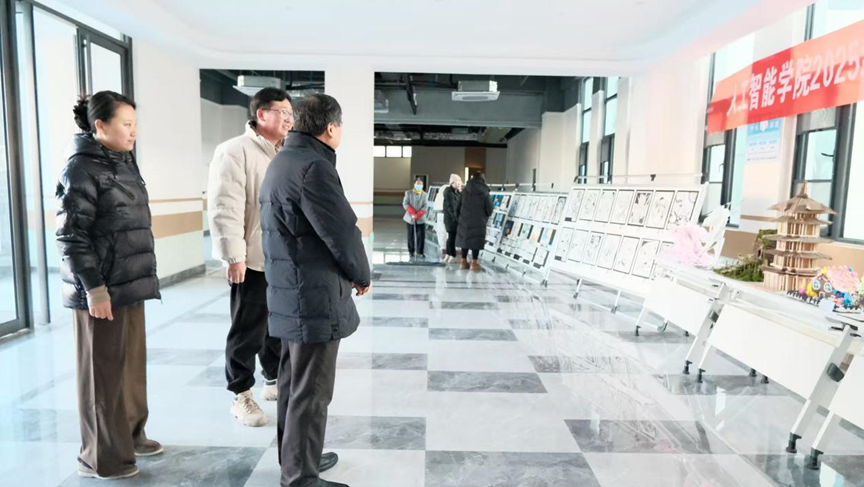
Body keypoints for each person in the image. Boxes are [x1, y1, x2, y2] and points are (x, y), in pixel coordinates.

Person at [260, 93, 371, 487]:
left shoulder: (283, 161)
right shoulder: (314, 167)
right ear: (330, 128)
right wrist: (361, 274)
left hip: (290, 290)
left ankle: (295, 459)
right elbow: (341, 232)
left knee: (293, 385)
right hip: (312, 295)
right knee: (312, 391)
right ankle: (300, 477)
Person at [57, 91, 161, 480]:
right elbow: (71, 236)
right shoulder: (80, 168)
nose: (134, 132)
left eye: (135, 124)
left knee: (129, 371)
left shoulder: (122, 161)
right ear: (100, 126)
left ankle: (130, 437)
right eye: (126, 124)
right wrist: (94, 289)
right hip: (101, 290)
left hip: (129, 283)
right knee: (100, 376)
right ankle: (100, 457)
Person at [208, 88, 293, 427]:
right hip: (251, 257)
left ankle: (273, 378)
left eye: (291, 114)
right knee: (247, 328)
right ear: (261, 114)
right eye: (283, 112)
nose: (289, 119)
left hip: (282, 258)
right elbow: (224, 207)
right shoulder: (234, 151)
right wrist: (234, 257)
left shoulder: (285, 152)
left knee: (277, 324)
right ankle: (241, 394)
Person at [456, 171, 493, 270]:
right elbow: (489, 209)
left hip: (464, 220)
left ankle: (463, 261)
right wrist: (485, 216)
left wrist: (459, 218)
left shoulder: (464, 191)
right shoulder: (484, 192)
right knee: (475, 241)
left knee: (465, 240)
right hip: (478, 221)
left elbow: (457, 207)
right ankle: (474, 263)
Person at [403, 178, 428, 259]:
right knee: (410, 235)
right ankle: (411, 251)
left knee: (421, 236)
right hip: (410, 218)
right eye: (417, 183)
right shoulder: (408, 193)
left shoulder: (425, 194)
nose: (419, 185)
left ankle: (420, 252)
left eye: (420, 184)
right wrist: (412, 212)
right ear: (414, 184)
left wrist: (419, 214)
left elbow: (425, 206)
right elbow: (405, 203)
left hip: (421, 218)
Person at [442, 174, 463, 263]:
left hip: (454, 219)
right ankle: (452, 255)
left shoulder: (456, 192)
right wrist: (456, 218)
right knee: (452, 237)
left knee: (451, 237)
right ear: (452, 183)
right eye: (458, 182)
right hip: (451, 220)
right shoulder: (448, 192)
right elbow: (451, 207)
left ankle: (449, 254)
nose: (459, 184)